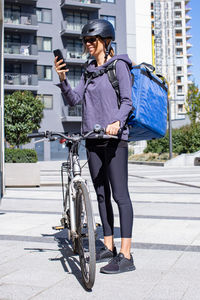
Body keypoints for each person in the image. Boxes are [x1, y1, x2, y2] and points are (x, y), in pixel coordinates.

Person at [54, 19, 135, 274]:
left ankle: (126, 255)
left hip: (114, 140)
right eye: (86, 41)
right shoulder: (89, 71)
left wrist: (116, 122)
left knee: (119, 195)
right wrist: (63, 79)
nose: (89, 44)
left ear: (106, 41)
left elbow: (127, 101)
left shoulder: (119, 65)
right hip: (91, 139)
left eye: (93, 40)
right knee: (100, 195)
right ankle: (108, 246)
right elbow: (74, 99)